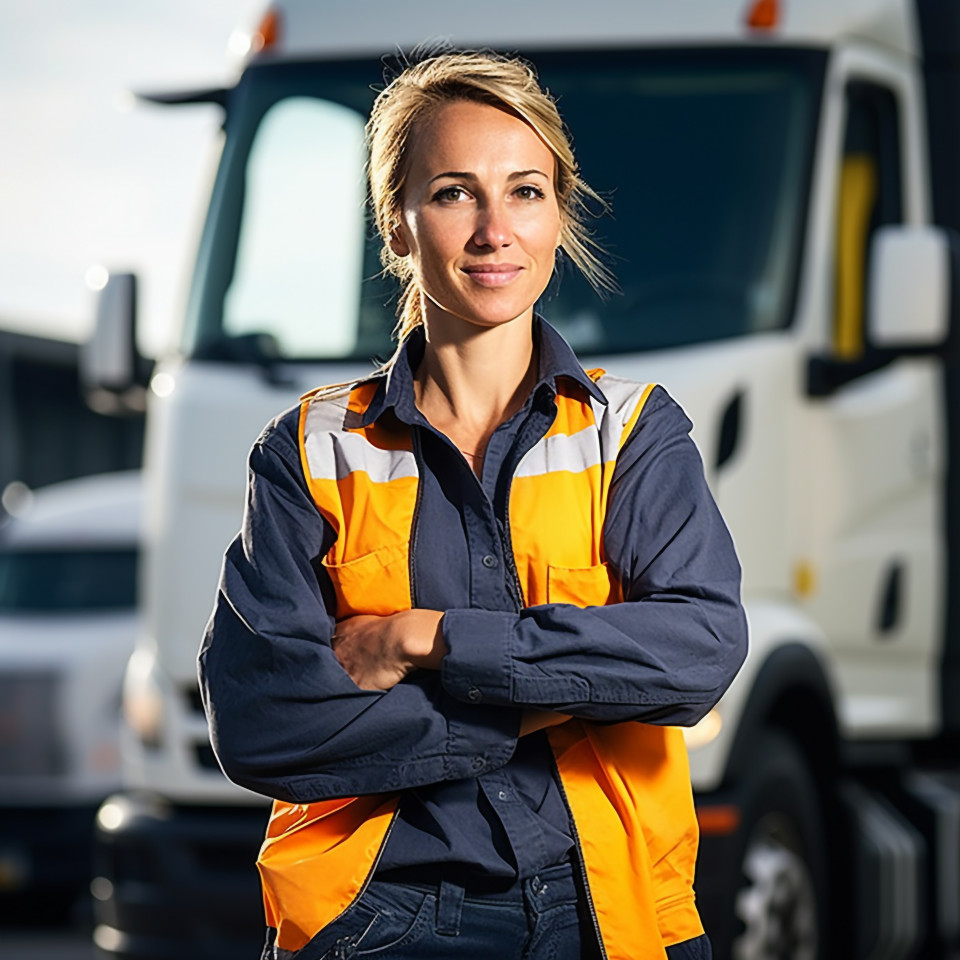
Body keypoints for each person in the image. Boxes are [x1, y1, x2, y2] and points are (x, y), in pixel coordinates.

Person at [199, 50, 747, 960]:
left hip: (615, 916)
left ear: (559, 213)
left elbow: (698, 653)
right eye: (454, 192)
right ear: (399, 225)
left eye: (526, 191)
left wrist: (431, 640)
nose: (497, 230)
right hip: (382, 915)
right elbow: (263, 725)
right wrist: (559, 693)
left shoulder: (634, 434)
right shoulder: (311, 449)